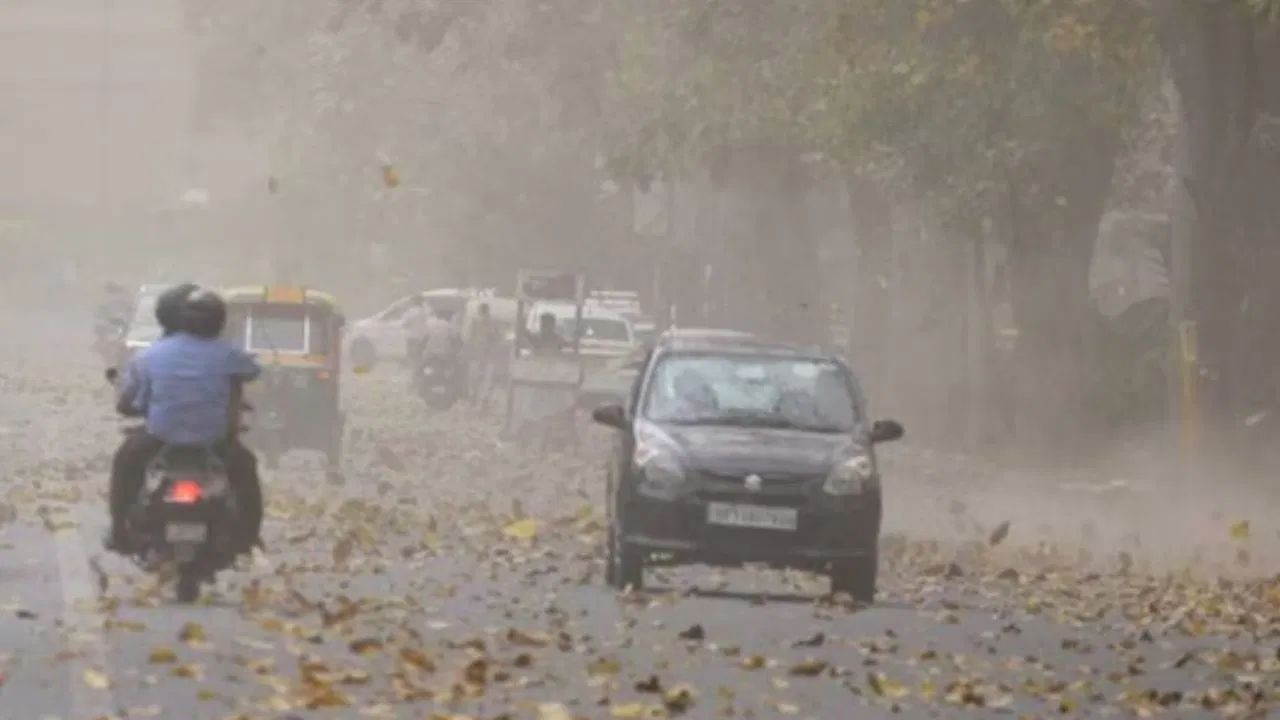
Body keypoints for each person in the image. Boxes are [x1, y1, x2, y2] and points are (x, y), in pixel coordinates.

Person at [107, 285, 264, 556]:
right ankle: (250, 538)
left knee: (125, 463)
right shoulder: (228, 354)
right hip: (215, 441)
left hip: (160, 438)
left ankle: (119, 531)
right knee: (246, 469)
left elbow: (130, 401)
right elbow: (252, 371)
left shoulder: (151, 355)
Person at [465, 303, 501, 404]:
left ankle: (477, 397)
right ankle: (480, 397)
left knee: (478, 376)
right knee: (483, 377)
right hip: (485, 354)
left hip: (481, 354)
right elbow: (498, 337)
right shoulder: (491, 323)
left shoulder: (477, 322)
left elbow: (469, 337)